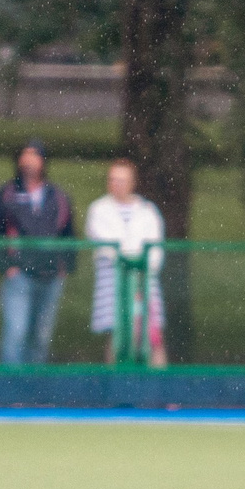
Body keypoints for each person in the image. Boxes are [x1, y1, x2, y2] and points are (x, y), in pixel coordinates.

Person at [0, 139, 75, 365]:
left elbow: (68, 234)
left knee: (41, 337)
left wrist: (66, 265)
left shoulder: (58, 197)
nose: (30, 161)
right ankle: (10, 390)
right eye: (25, 155)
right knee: (16, 332)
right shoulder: (6, 195)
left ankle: (34, 391)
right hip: (20, 276)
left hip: (51, 275)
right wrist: (7, 266)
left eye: (35, 156)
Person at [85, 157, 166, 366]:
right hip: (113, 279)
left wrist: (142, 268)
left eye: (122, 180)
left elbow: (155, 248)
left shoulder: (147, 211)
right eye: (112, 179)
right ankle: (118, 393)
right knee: (117, 336)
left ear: (133, 182)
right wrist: (131, 257)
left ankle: (160, 393)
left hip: (145, 279)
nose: (116, 185)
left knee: (153, 335)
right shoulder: (98, 210)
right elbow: (106, 245)